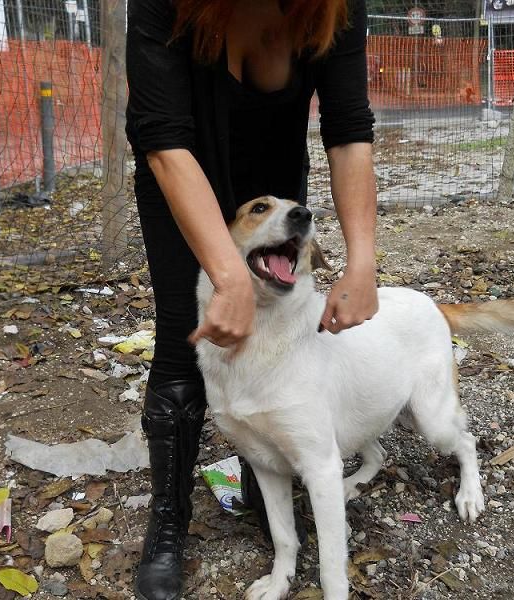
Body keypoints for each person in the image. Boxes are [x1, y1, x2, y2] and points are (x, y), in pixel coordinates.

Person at [125, 0, 378, 598]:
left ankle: (262, 464)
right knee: (182, 340)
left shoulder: (335, 8)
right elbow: (161, 137)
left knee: (281, 336)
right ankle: (169, 523)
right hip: (178, 171)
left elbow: (348, 131)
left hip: (273, 189)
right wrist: (228, 278)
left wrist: (363, 259)